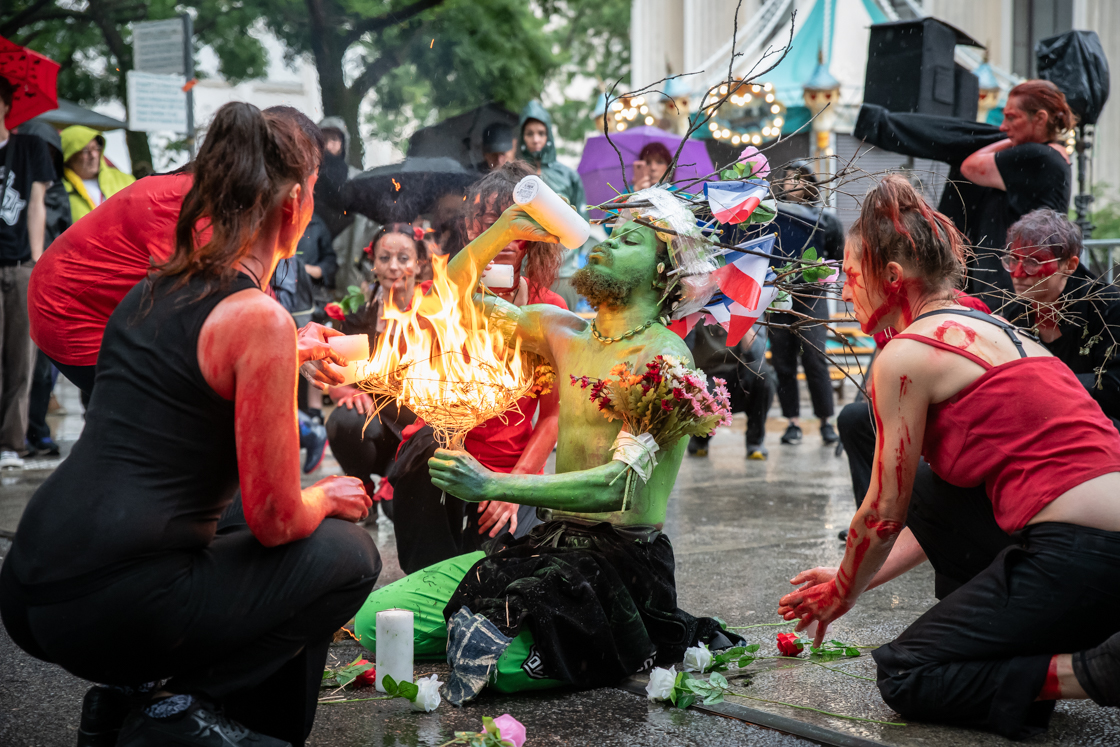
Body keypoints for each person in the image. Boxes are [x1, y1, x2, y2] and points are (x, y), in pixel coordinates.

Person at [0, 102, 380, 747]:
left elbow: (187, 376)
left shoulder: (149, 289)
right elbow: (278, 517)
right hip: (107, 601)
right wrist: (326, 494)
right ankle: (178, 711)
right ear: (293, 204)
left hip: (33, 579)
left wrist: (289, 349)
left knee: (240, 527)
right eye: (315, 190)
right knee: (348, 552)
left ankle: (129, 702)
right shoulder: (258, 318)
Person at [351, 185, 740, 705]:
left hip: (619, 563)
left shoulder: (664, 357)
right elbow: (450, 300)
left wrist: (494, 485)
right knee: (374, 623)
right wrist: (505, 229)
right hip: (547, 545)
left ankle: (516, 633)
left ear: (662, 274)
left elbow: (620, 487)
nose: (605, 243)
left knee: (499, 665)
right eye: (610, 233)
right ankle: (494, 627)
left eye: (628, 240)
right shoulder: (561, 329)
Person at [778, 175, 1120, 740]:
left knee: (906, 674)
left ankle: (1094, 670)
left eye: (851, 274)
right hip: (1091, 546)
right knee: (932, 483)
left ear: (893, 277)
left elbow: (882, 514)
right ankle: (1028, 657)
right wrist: (854, 577)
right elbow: (935, 508)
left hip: (1083, 553)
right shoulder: (993, 326)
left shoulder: (909, 353)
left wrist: (841, 593)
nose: (844, 288)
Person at [27, 108, 348, 399]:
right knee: (186, 405)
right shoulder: (199, 208)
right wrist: (287, 345)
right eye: (311, 178)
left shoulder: (229, 201)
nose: (310, 195)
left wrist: (293, 336)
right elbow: (215, 312)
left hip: (107, 306)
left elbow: (247, 295)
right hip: (70, 313)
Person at [379, 162, 566, 573]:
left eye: (516, 222)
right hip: (442, 458)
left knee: (493, 575)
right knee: (434, 574)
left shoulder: (549, 307)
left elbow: (553, 416)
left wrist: (511, 487)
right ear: (469, 228)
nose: (504, 235)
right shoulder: (440, 296)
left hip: (508, 471)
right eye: (490, 222)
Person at [322, 222, 429, 517]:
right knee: (345, 419)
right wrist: (350, 393)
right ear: (374, 265)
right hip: (376, 426)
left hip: (419, 434)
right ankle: (361, 488)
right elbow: (338, 381)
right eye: (385, 258)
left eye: (403, 258)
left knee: (399, 510)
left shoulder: (436, 316)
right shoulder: (360, 316)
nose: (393, 266)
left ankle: (398, 479)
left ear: (419, 264)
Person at [1004, 208, 1120, 429]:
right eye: (1013, 259)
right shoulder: (1014, 315)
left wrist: (1041, 384)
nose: (1017, 273)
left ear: (1070, 265)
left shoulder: (1108, 306)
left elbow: (1114, 387)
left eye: (1033, 262)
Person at [959, 80, 1073, 304]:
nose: (1003, 127)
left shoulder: (1037, 155)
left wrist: (1006, 142)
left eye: (1011, 118)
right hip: (1020, 281)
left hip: (1011, 287)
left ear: (1040, 118)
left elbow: (970, 167)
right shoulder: (1048, 155)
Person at [767, 162, 844, 446]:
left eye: (801, 178)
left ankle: (826, 421)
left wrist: (820, 272)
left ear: (812, 184)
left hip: (812, 297)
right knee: (783, 361)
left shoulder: (826, 220)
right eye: (789, 178)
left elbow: (838, 259)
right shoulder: (772, 215)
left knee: (814, 357)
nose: (795, 183)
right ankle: (792, 423)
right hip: (778, 296)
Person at [0, 76, 52, 470]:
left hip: (19, 265)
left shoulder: (29, 147)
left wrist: (36, 261)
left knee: (21, 360)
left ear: (5, 104)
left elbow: (36, 204)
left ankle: (11, 443)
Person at [17, 120, 71, 457]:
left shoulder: (58, 192)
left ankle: (36, 429)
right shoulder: (14, 186)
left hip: (49, 287)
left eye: (50, 151)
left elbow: (68, 238)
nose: (44, 157)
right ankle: (18, 432)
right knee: (17, 364)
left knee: (42, 368)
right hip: (18, 277)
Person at [517, 101, 588, 310]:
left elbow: (582, 222)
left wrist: (566, 255)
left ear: (548, 135)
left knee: (563, 326)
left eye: (541, 133)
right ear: (522, 137)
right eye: (529, 133)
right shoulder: (514, 175)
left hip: (563, 272)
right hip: (524, 271)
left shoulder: (568, 176)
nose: (536, 139)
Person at [685, 323, 775, 460]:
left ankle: (755, 442)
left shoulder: (749, 311)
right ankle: (700, 438)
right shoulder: (697, 312)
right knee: (702, 393)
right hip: (706, 376)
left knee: (763, 375)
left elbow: (757, 355)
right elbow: (685, 351)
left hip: (739, 376)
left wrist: (742, 321)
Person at [59, 125, 135, 223]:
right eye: (85, 150)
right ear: (69, 156)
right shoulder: (59, 190)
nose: (93, 155)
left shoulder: (125, 180)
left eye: (96, 148)